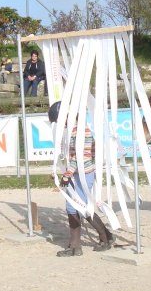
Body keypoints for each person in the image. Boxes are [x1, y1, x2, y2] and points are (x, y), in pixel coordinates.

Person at [47, 101, 115, 257]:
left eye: (59, 120)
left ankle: (106, 237)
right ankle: (75, 246)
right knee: (72, 207)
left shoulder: (81, 132)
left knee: (82, 207)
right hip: (77, 173)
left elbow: (80, 158)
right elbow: (72, 157)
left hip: (84, 174)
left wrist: (66, 175)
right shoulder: (73, 131)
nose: (59, 124)